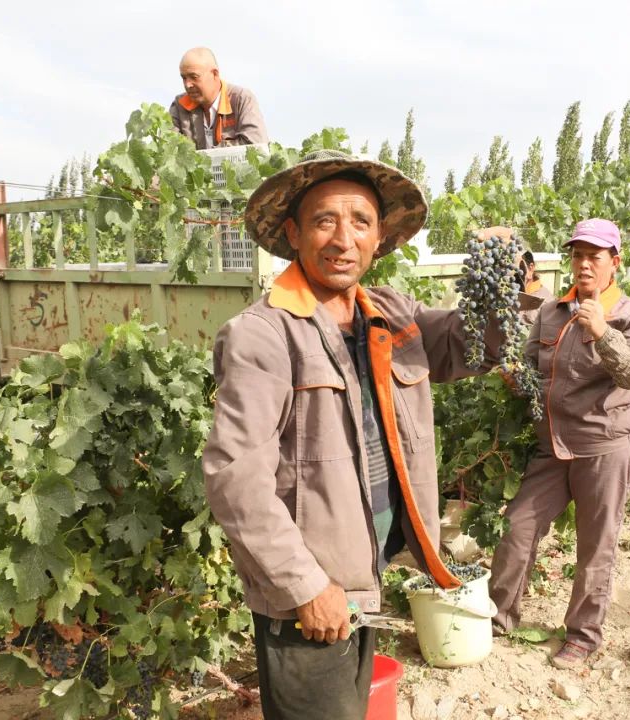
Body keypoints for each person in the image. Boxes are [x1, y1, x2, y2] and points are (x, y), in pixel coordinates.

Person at [202, 150, 503, 719]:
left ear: (379, 236)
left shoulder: (389, 313)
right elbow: (234, 481)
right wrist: (306, 587)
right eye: (324, 221)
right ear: (294, 233)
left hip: (362, 576)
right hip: (310, 595)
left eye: (360, 221)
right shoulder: (263, 335)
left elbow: (476, 345)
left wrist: (503, 279)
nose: (343, 238)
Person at [489, 218, 630, 669]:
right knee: (517, 527)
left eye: (594, 257)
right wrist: (515, 378)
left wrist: (603, 331)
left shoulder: (629, 315)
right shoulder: (551, 312)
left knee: (595, 544)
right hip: (554, 445)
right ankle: (497, 618)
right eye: (578, 256)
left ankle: (583, 635)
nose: (584, 265)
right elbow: (531, 371)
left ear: (613, 264)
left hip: (606, 446)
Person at [169, 47, 268, 150]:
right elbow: (169, 149)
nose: (187, 84)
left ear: (215, 74)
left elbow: (256, 146)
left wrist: (212, 154)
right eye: (184, 78)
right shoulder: (179, 106)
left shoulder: (241, 99)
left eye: (194, 77)